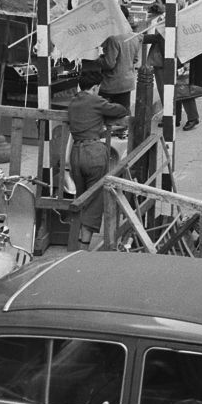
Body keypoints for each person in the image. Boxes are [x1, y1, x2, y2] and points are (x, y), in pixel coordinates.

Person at [67, 72, 129, 247]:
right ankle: (83, 246)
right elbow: (120, 110)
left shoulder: (73, 102)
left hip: (76, 153)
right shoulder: (95, 101)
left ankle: (75, 243)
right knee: (95, 200)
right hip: (93, 152)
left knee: (81, 197)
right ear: (95, 87)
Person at [98, 30, 138, 113]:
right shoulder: (133, 36)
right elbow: (135, 59)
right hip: (127, 82)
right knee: (124, 110)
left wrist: (98, 59)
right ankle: (126, 126)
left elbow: (109, 64)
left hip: (112, 83)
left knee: (103, 111)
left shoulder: (113, 38)